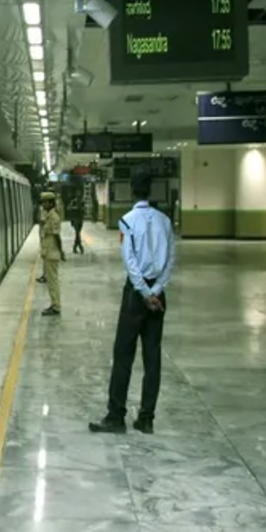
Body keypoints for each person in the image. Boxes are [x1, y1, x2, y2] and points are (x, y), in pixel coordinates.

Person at [89, 171, 176, 434]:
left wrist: (142, 292)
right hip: (158, 296)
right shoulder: (165, 221)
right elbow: (170, 260)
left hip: (136, 297)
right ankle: (146, 418)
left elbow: (130, 262)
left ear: (131, 190)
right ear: (151, 190)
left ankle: (116, 416)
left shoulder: (127, 222)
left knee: (123, 355)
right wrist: (155, 291)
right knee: (153, 357)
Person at [38, 191, 63, 316]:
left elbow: (57, 236)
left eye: (45, 202)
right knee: (51, 280)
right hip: (49, 252)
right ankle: (54, 304)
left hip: (52, 252)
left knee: (52, 281)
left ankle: (56, 306)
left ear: (50, 203)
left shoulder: (54, 217)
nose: (43, 204)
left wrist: (61, 251)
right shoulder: (49, 215)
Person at [67, 188, 86, 254]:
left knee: (78, 233)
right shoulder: (73, 201)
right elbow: (68, 208)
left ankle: (75, 247)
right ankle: (80, 247)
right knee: (77, 233)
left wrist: (82, 209)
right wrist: (75, 208)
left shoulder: (82, 202)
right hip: (75, 219)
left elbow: (84, 210)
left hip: (80, 219)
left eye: (80, 194)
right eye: (78, 194)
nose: (79, 195)